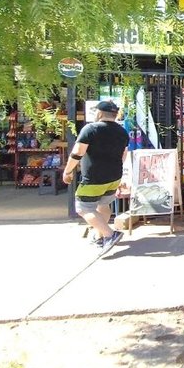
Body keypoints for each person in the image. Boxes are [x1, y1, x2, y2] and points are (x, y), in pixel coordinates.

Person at [62, 100, 129, 256]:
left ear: (99, 113)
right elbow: (123, 155)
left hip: (94, 177)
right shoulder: (122, 132)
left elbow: (78, 152)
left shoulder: (90, 129)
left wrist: (68, 171)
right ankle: (100, 236)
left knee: (83, 208)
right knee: (103, 204)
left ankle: (109, 234)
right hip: (114, 176)